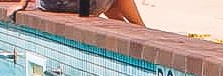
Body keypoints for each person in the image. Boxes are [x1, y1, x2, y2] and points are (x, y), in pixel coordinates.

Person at [14, 0, 146, 26]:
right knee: (116, 3)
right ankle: (140, 27)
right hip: (77, 7)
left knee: (113, 8)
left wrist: (21, 4)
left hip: (48, 5)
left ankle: (126, 25)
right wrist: (84, 14)